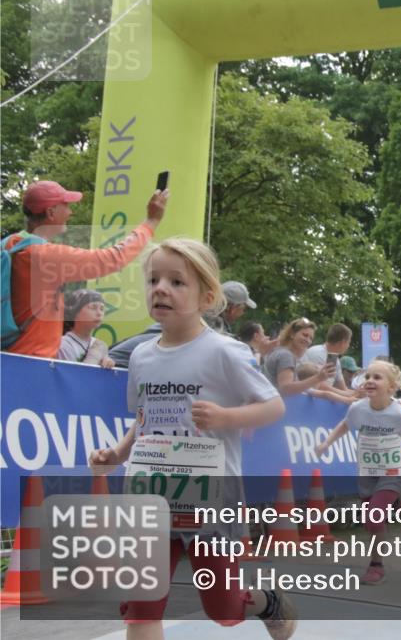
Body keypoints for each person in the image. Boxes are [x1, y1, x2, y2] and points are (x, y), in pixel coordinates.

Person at [87, 237, 294, 640]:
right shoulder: (142, 356)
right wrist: (118, 451)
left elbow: (273, 406)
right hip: (152, 493)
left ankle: (265, 601)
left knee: (224, 609)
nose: (161, 289)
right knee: (141, 606)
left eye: (177, 282)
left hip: (212, 496)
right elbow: (143, 416)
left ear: (207, 295)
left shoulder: (224, 352)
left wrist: (226, 416)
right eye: (153, 280)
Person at [314, 360, 401, 585]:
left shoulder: (400, 413)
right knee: (371, 523)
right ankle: (395, 501)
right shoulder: (358, 408)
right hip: (367, 472)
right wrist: (326, 443)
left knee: (374, 517)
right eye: (368, 376)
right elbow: (346, 425)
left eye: (377, 377)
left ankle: (376, 565)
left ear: (391, 386)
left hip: (393, 472)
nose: (370, 381)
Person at [3, 180, 168, 358]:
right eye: (65, 205)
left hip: (10, 356)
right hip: (33, 361)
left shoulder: (10, 245)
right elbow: (113, 259)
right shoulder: (42, 255)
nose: (70, 211)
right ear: (51, 212)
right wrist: (151, 221)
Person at [262, 318, 335, 395]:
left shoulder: (280, 352)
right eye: (305, 335)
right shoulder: (286, 355)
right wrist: (318, 378)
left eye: (310, 338)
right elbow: (285, 388)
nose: (308, 340)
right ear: (292, 334)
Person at [58, 289, 114, 368]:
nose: (99, 313)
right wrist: (94, 356)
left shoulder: (101, 345)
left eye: (102, 309)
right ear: (75, 312)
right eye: (93, 307)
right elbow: (71, 377)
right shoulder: (63, 344)